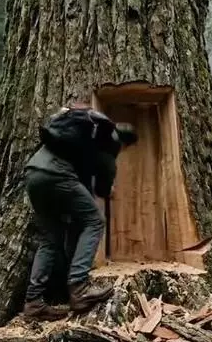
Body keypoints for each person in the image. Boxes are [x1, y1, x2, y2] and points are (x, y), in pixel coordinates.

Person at [23, 107, 137, 320]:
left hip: (34, 173)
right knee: (95, 221)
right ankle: (79, 287)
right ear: (125, 143)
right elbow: (102, 189)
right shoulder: (109, 148)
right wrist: (109, 191)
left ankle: (34, 302)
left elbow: (81, 179)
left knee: (50, 239)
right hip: (58, 176)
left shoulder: (81, 134)